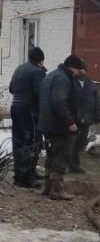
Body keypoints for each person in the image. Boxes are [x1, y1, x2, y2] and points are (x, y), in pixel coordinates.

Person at [38, 55, 86, 200]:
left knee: (51, 154)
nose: (78, 73)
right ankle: (57, 190)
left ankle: (47, 187)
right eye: (78, 69)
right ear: (73, 67)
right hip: (59, 126)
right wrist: (70, 122)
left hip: (47, 123)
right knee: (61, 156)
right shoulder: (63, 79)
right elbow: (59, 101)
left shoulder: (51, 75)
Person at [8, 47, 46, 188]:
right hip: (29, 110)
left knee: (18, 141)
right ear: (41, 60)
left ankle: (19, 174)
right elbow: (40, 93)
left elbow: (12, 88)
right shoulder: (37, 72)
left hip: (15, 107)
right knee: (33, 141)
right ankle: (28, 177)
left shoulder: (19, 68)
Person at [68, 70, 100, 173]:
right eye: (79, 69)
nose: (81, 72)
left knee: (80, 143)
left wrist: (97, 116)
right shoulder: (70, 82)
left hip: (86, 119)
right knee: (70, 143)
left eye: (83, 69)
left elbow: (96, 101)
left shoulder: (90, 84)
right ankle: (64, 166)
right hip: (74, 119)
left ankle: (75, 166)